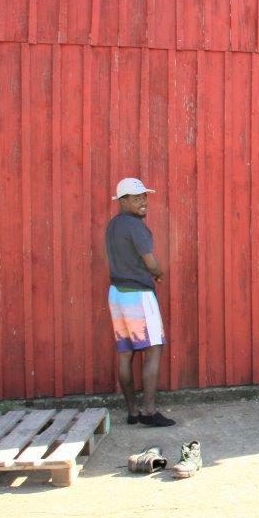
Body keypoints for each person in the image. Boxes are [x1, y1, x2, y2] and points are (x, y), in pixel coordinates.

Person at [106, 177, 175, 426]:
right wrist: (159, 272)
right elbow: (150, 261)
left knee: (125, 354)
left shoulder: (113, 226)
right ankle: (149, 411)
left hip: (116, 293)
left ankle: (132, 412)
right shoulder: (136, 227)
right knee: (153, 350)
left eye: (144, 196)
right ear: (122, 201)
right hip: (138, 295)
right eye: (136, 197)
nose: (142, 201)